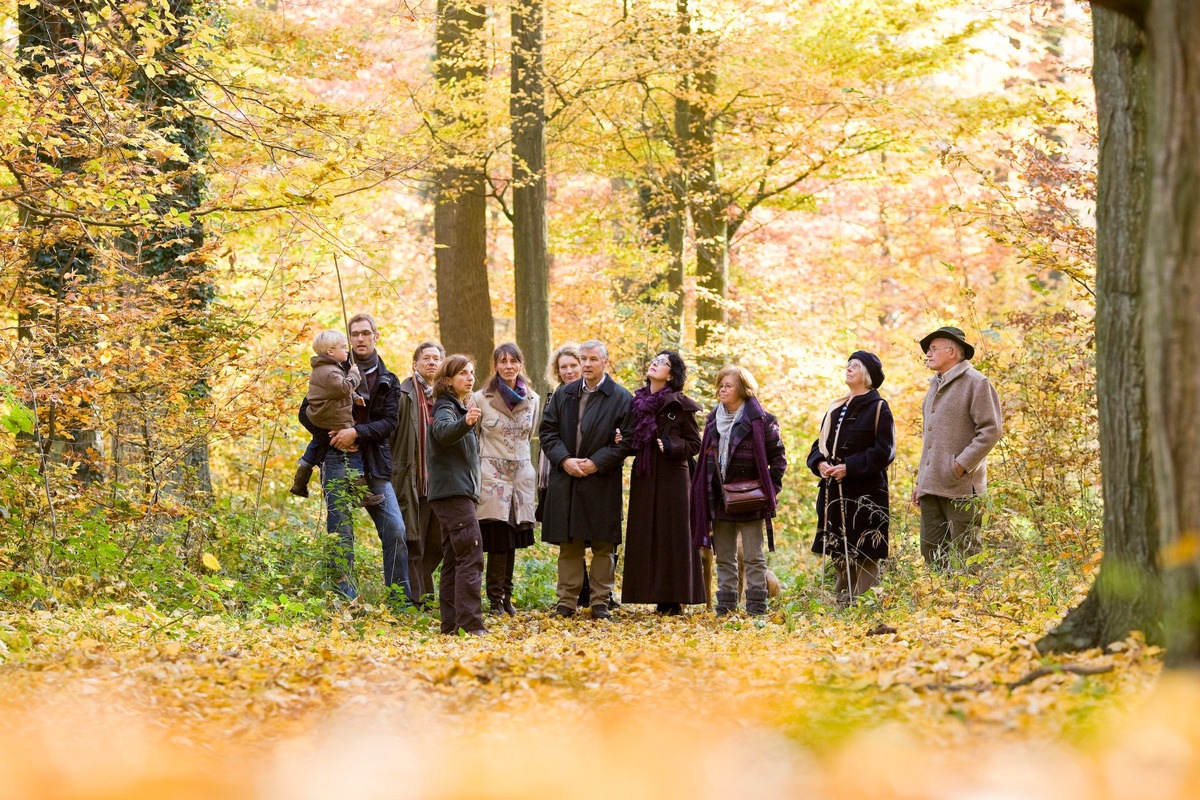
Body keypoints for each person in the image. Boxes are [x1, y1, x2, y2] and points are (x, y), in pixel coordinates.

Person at [298, 313, 412, 605]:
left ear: (376, 336)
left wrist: (356, 433)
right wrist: (333, 436)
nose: (360, 339)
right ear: (347, 340)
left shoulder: (388, 379)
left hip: (374, 464)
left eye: (365, 333)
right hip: (336, 460)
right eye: (355, 334)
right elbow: (306, 413)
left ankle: (398, 602)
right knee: (340, 533)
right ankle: (344, 602)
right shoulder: (328, 371)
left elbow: (390, 423)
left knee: (396, 530)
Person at [539, 339, 633, 620]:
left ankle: (600, 601)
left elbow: (626, 440)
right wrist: (565, 460)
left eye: (593, 359)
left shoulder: (621, 397)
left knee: (604, 544)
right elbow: (548, 431)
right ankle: (566, 602)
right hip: (567, 478)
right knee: (570, 544)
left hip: (601, 480)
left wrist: (596, 462)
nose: (587, 364)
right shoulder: (563, 394)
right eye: (584, 359)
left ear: (605, 362)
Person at [690, 366, 786, 616]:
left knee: (754, 557)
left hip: (752, 499)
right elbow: (705, 460)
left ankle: (756, 607)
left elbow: (778, 459)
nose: (722, 389)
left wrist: (770, 490)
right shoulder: (712, 421)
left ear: (743, 389)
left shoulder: (763, 420)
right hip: (719, 497)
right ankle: (726, 607)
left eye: (728, 385)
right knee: (724, 557)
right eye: (720, 385)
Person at [910, 326, 1003, 570]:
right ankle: (937, 605)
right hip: (931, 487)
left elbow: (991, 430)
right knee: (931, 553)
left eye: (933, 349)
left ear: (952, 351)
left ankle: (971, 604)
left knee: (966, 556)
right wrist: (921, 482)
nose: (927, 354)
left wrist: (960, 465)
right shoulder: (934, 386)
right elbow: (930, 440)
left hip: (961, 486)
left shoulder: (977, 383)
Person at [807, 351, 895, 605]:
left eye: (855, 365)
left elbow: (884, 451)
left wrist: (850, 467)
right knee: (839, 550)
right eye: (847, 365)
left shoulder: (879, 408)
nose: (848, 368)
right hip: (835, 492)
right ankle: (842, 606)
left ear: (867, 375)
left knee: (866, 551)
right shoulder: (836, 407)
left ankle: (865, 606)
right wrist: (820, 464)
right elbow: (818, 445)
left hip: (867, 493)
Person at [621, 350, 704, 615]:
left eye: (663, 363)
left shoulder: (681, 404)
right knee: (646, 534)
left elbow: (695, 443)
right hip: (645, 475)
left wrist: (671, 444)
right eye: (655, 360)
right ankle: (650, 594)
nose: (655, 364)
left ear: (672, 374)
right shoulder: (637, 402)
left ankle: (674, 599)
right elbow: (634, 439)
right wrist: (622, 440)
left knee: (673, 536)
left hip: (673, 476)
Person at [473, 343, 540, 616]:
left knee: (512, 540)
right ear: (496, 365)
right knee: (498, 540)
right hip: (492, 478)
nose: (508, 366)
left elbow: (530, 434)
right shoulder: (480, 398)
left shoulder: (533, 399)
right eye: (503, 361)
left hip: (521, 479)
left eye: (513, 361)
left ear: (520, 364)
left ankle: (507, 598)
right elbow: (475, 436)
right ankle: (494, 600)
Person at [427, 354, 487, 635]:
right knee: (471, 555)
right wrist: (465, 424)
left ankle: (451, 625)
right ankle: (470, 625)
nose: (470, 377)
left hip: (456, 493)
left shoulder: (457, 407)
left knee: (454, 559)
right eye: (463, 373)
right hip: (453, 494)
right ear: (448, 380)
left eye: (472, 372)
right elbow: (441, 432)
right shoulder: (445, 407)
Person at [290, 330, 380, 506]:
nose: (347, 350)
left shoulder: (328, 369)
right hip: (332, 419)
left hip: (323, 417)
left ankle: (301, 479)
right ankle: (360, 492)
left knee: (316, 445)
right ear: (331, 351)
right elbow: (343, 389)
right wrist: (355, 374)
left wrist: (355, 399)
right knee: (352, 451)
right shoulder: (329, 372)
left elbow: (338, 393)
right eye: (344, 347)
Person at [390, 341, 445, 608]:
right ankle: (417, 600)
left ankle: (424, 594)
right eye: (426, 358)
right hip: (413, 481)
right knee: (415, 542)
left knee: (437, 545)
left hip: (443, 484)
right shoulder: (403, 394)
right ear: (415, 364)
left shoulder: (447, 395)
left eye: (436, 358)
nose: (432, 363)